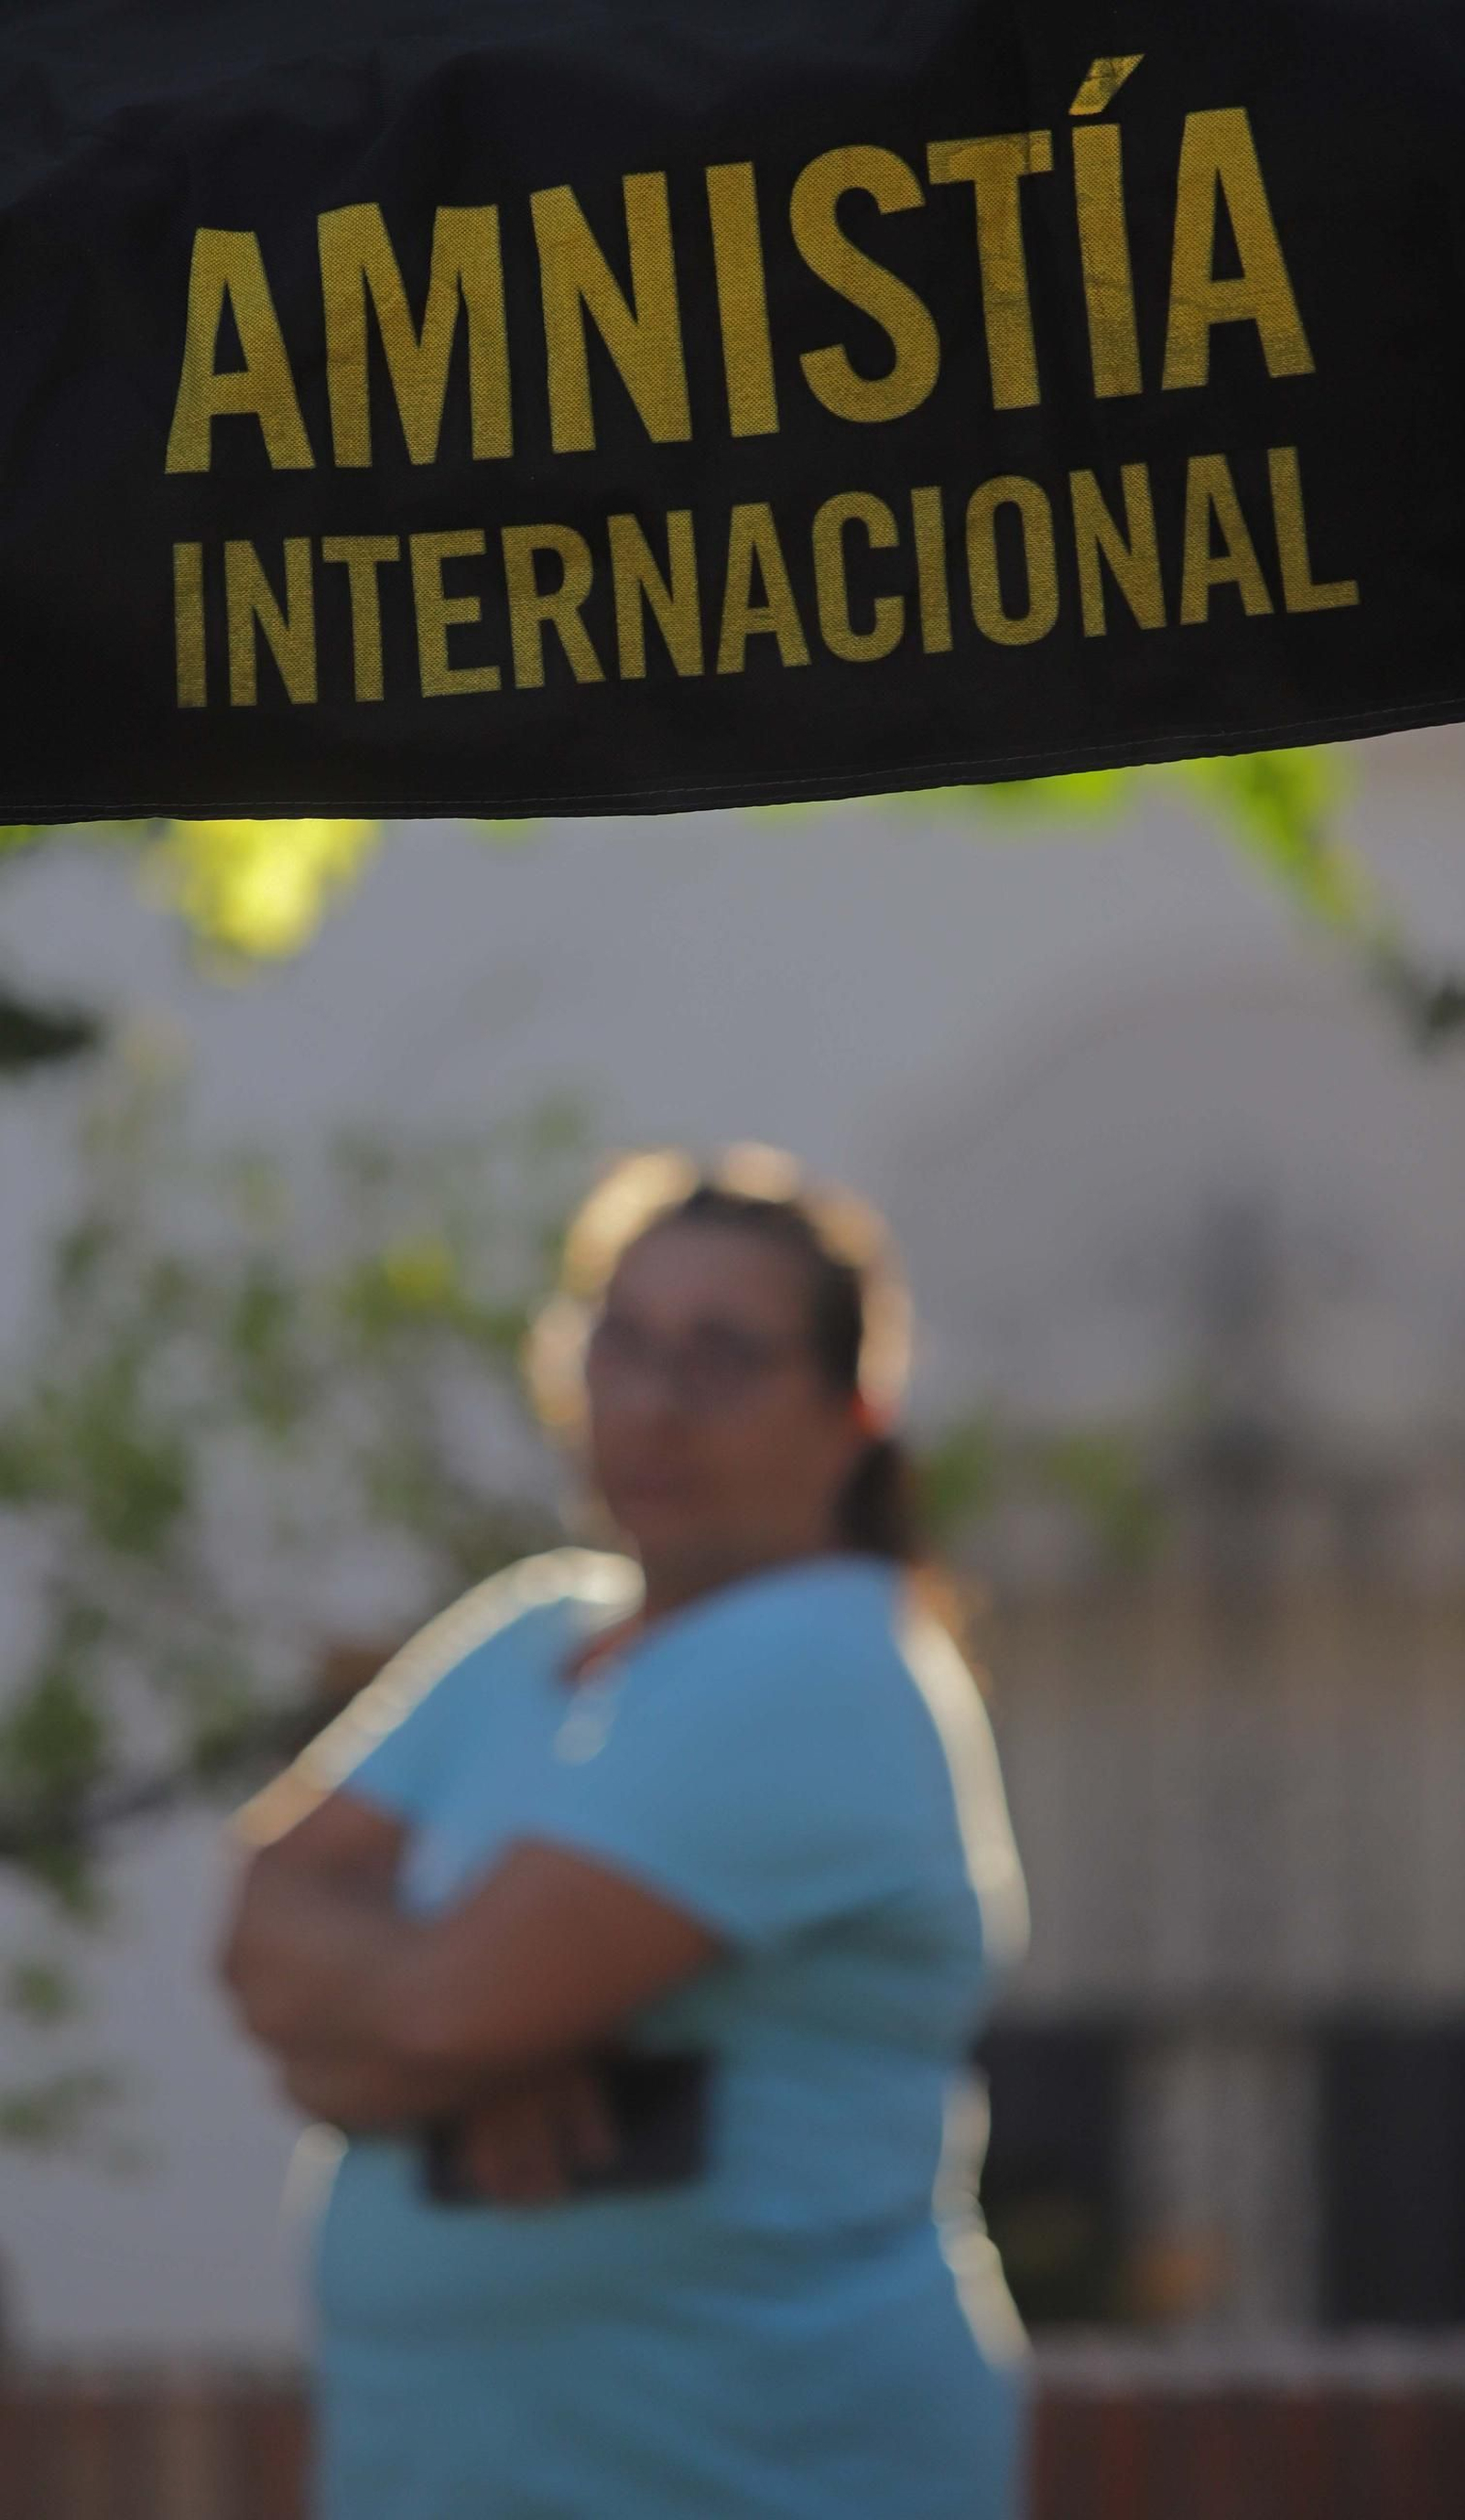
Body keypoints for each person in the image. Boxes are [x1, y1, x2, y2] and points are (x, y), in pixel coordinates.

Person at [217, 1142, 1033, 2519]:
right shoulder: (533, 1628)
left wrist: (397, 2045)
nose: (654, 1403)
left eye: (721, 1356)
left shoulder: (819, 1658)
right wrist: (448, 2043)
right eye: (622, 1342)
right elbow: (259, 1915)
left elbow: (443, 2010)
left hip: (752, 2473)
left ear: (854, 1409)